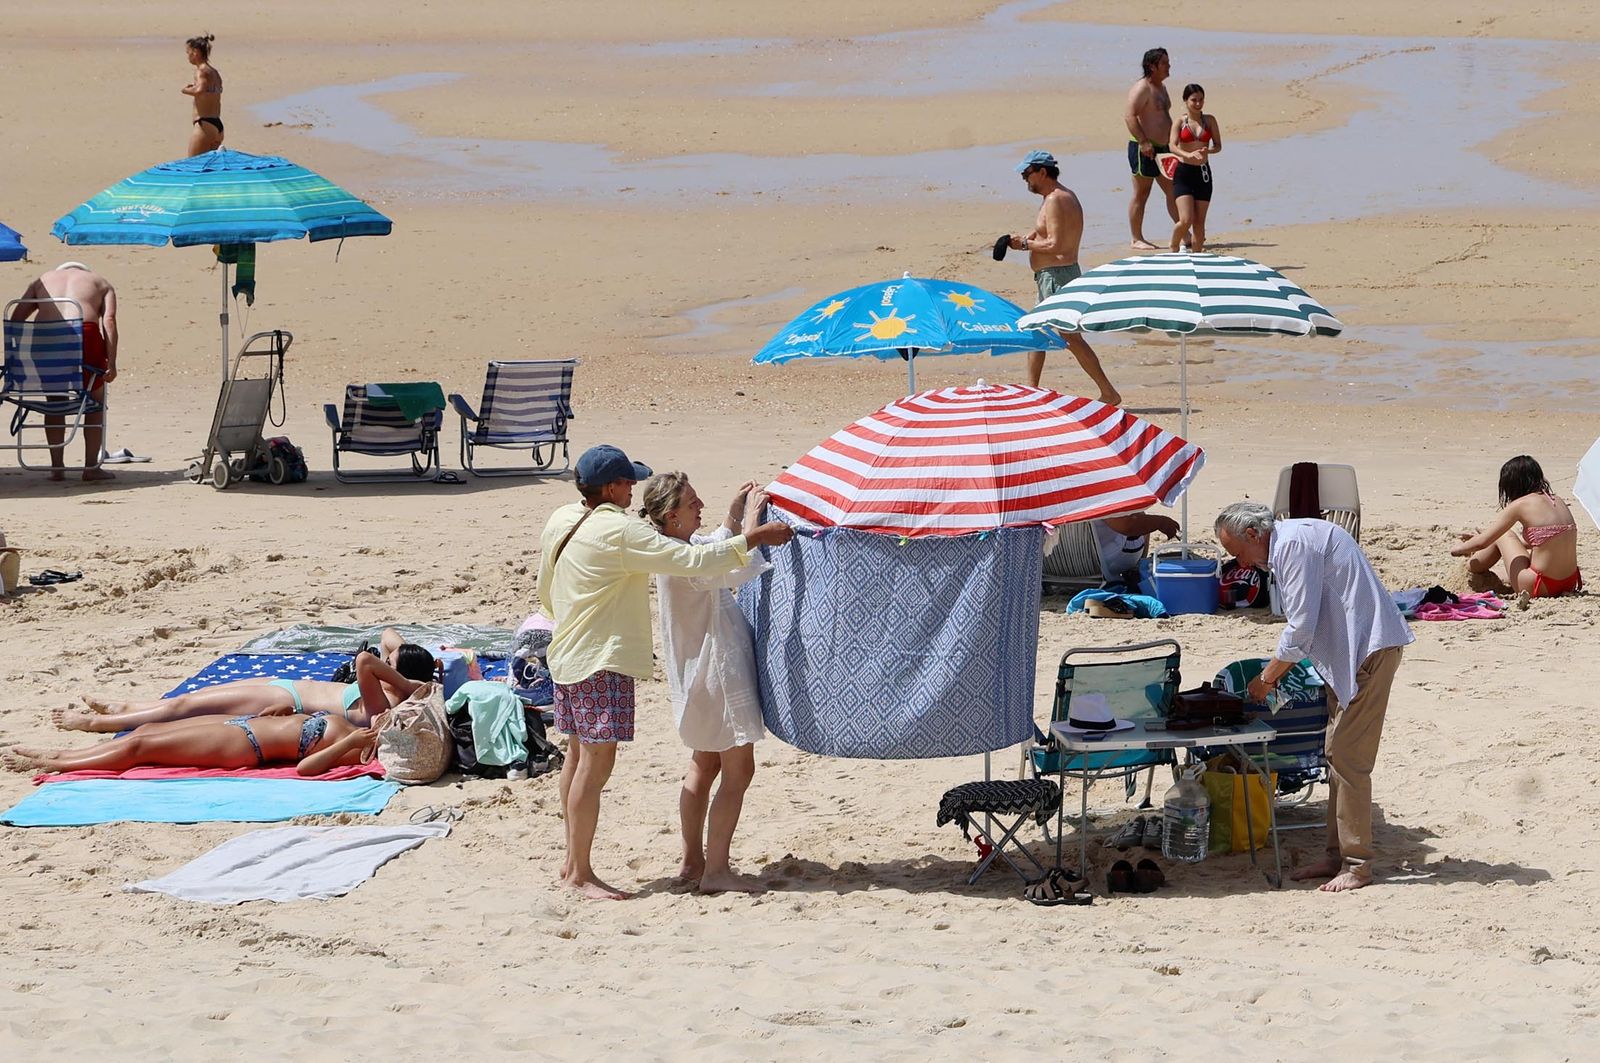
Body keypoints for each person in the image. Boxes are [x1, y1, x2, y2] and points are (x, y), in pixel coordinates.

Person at [537, 444, 793, 901]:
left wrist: (734, 521)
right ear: (612, 488)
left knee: (578, 760)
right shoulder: (622, 532)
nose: (632, 489)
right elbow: (702, 564)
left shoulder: (564, 517)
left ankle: (580, 863)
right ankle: (583, 873)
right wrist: (754, 533)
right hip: (607, 659)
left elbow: (546, 582)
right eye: (627, 482)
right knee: (595, 766)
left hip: (568, 652)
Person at [1214, 501, 1413, 892]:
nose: (1238, 562)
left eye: (1235, 551)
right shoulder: (1291, 541)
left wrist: (1266, 679)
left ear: (1253, 535)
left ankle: (1357, 864)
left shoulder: (1292, 545)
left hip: (1368, 650)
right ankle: (1336, 854)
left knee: (1348, 758)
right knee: (1334, 753)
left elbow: (1301, 626)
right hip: (1349, 653)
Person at [639, 473, 781, 895]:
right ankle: (716, 869)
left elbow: (714, 550)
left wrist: (734, 516)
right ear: (672, 516)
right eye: (693, 503)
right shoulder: (685, 562)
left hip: (697, 676)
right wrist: (755, 525)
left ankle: (692, 861)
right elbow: (736, 567)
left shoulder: (673, 551)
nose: (699, 507)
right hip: (717, 673)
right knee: (738, 770)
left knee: (704, 765)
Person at [53, 635, 435, 733]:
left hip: (286, 698)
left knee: (185, 709)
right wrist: (410, 674)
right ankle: (127, 708)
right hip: (286, 685)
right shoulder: (393, 688)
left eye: (393, 664)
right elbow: (388, 636)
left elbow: (366, 660)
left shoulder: (383, 705)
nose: (387, 659)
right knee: (194, 698)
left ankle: (96, 724)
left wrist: (405, 680)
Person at [1010, 151, 1121, 405]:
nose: (1025, 180)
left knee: (1070, 336)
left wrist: (1025, 246)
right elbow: (1044, 233)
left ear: (1042, 172)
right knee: (1036, 330)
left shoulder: (1057, 199)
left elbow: (1057, 245)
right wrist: (1017, 240)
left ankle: (1109, 392)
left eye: (1027, 174)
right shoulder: (1055, 197)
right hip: (1051, 276)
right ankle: (1032, 391)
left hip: (1058, 276)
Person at [4, 710, 375, 776]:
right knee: (144, 731)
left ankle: (57, 765)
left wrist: (348, 745)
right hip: (248, 724)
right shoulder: (366, 729)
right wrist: (291, 710)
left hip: (245, 745)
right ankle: (65, 754)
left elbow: (305, 768)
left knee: (139, 749)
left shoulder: (361, 750)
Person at [8, 263, 118, 482]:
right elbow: (109, 321)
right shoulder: (100, 282)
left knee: (55, 400)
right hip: (85, 338)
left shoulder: (42, 280)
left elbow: (17, 318)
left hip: (47, 341)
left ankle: (57, 467)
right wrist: (112, 363)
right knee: (94, 401)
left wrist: (15, 358)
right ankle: (91, 467)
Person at [1451, 455, 1583, 598]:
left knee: (1504, 534)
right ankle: (1486, 569)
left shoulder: (1520, 505)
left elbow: (1483, 542)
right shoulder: (1557, 500)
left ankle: (1472, 569)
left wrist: (1458, 548)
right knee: (1503, 545)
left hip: (1539, 585)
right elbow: (1547, 541)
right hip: (1569, 583)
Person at [1124, 47, 1178, 251]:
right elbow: (1130, 116)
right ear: (1152, 66)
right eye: (1164, 63)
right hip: (1144, 149)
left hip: (1164, 148)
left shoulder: (1161, 87)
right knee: (1141, 193)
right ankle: (1136, 237)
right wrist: (1143, 141)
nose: (1169, 65)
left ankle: (1183, 232)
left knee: (1173, 190)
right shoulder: (1142, 88)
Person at [1167, 84, 1222, 253]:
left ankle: (1197, 256)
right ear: (1185, 101)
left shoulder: (1210, 120)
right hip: (1184, 172)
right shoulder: (1180, 122)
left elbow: (1218, 146)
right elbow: (1172, 146)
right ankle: (1174, 245)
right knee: (1186, 219)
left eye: (1201, 100)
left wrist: (1209, 150)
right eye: (1193, 100)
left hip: (1203, 174)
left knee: (1199, 222)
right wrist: (1187, 155)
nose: (1198, 104)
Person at [1091, 511, 1180, 590]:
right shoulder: (1104, 497)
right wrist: (1161, 522)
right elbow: (1127, 526)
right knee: (1141, 519)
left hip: (1080, 561)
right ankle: (1138, 566)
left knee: (1138, 518)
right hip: (1105, 561)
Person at [182, 33, 224, 155]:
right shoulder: (214, 72)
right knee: (210, 169)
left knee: (193, 166)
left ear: (195, 52)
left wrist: (185, 90)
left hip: (205, 126)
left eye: (188, 52)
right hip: (217, 125)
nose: (187, 56)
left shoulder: (201, 70)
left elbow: (200, 90)